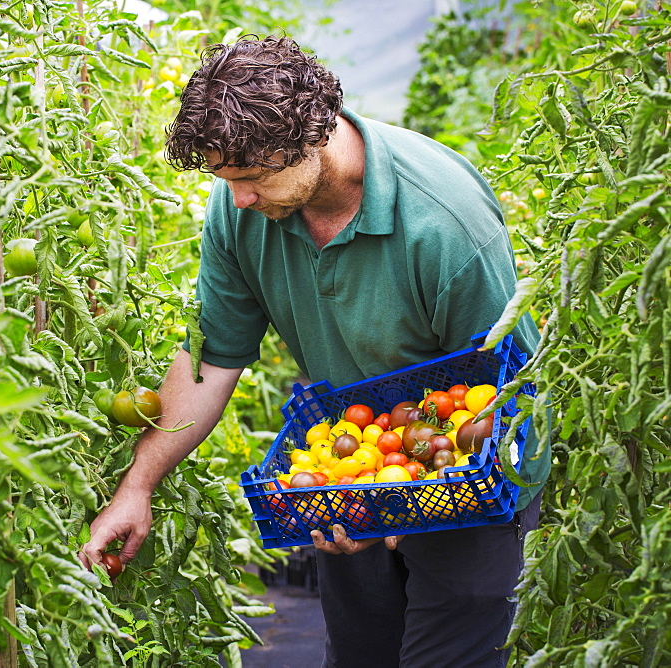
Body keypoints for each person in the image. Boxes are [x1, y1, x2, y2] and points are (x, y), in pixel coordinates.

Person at [80, 35, 549, 667]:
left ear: (312, 137)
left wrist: (406, 501)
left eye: (249, 179)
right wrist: (137, 487)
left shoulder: (445, 227)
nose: (238, 198)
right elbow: (211, 359)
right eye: (227, 179)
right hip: (352, 471)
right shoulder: (244, 209)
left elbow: (504, 392)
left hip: (469, 481)